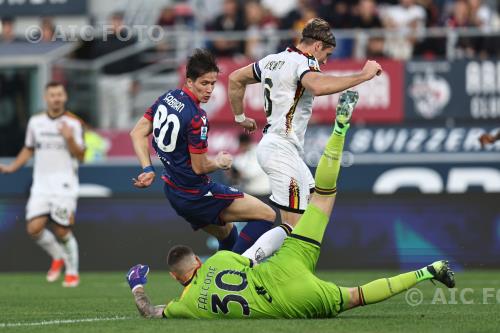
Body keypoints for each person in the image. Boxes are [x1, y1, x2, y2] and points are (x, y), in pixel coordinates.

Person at [125, 92, 456, 319]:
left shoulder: (188, 307)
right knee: (323, 195)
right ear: (198, 260)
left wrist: (137, 284)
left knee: (356, 296)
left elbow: (151, 312)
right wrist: (285, 228)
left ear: (174, 276)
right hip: (283, 264)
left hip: (294, 298)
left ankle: (429, 271)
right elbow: (256, 254)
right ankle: (339, 131)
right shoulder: (221, 260)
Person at [227, 18, 381, 231]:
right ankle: (248, 261)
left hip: (282, 148)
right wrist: (364, 75)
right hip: (280, 148)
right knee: (293, 229)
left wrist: (239, 117)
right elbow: (317, 86)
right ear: (317, 46)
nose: (325, 62)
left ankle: (259, 260)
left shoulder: (271, 60)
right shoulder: (305, 61)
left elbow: (235, 78)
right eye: (326, 55)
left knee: (313, 204)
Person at [130, 49, 279, 257]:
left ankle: (214, 281)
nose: (209, 90)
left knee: (228, 234)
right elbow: (199, 167)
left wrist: (147, 168)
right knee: (267, 215)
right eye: (204, 83)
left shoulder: (168, 97)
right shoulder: (196, 118)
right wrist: (219, 162)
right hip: (196, 193)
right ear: (189, 81)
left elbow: (137, 132)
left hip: (173, 191)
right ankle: (230, 269)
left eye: (213, 83)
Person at [0, 82, 85, 287]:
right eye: (52, 95)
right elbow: (29, 148)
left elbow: (81, 156)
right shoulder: (35, 122)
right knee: (34, 228)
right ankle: (58, 257)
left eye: (59, 94)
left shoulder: (73, 124)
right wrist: (12, 167)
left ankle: (72, 272)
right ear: (46, 98)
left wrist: (69, 139)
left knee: (62, 230)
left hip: (64, 184)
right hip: (41, 184)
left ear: (64, 97)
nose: (56, 98)